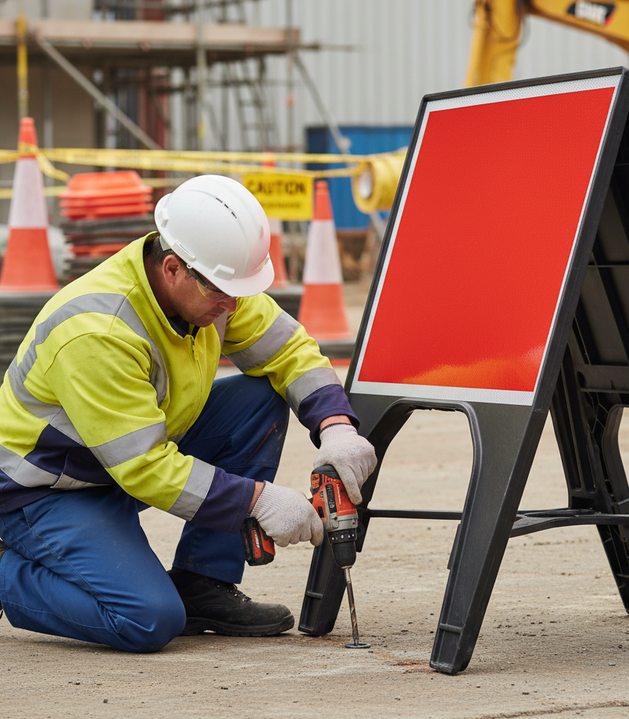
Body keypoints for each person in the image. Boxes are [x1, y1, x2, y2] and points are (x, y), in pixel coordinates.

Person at [0, 174, 376, 653]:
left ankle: (204, 582)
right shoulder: (97, 330)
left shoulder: (212, 282)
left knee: (256, 401)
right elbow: (142, 466)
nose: (233, 305)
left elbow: (288, 350)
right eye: (223, 293)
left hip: (119, 463)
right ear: (173, 268)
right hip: (46, 492)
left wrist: (335, 426)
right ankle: (4, 571)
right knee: (147, 619)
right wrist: (256, 500)